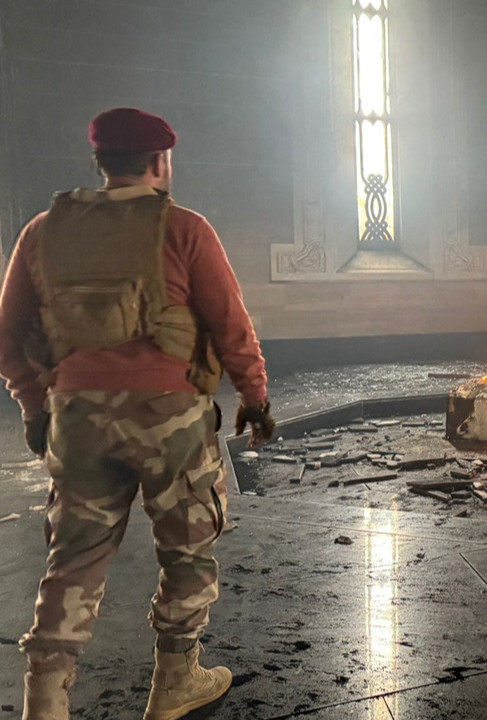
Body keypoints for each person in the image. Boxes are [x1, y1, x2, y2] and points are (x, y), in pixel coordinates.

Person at [0, 107, 276, 720]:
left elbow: (7, 336)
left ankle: (43, 699)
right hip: (170, 420)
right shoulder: (185, 228)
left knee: (72, 559)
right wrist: (254, 398)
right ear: (160, 162)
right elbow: (231, 326)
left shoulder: (43, 231)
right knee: (187, 548)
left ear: (99, 163)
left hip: (76, 420)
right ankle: (175, 681)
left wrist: (35, 402)